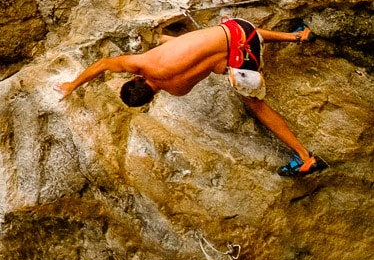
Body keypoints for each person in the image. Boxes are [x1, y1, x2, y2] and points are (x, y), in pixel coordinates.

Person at [58, 18, 325, 176]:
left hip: (245, 60)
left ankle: (304, 156)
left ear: (150, 98)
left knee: (255, 105)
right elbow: (104, 63)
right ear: (135, 78)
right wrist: (72, 84)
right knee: (224, 38)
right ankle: (297, 36)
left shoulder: (177, 89)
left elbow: (204, 64)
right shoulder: (143, 63)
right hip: (244, 30)